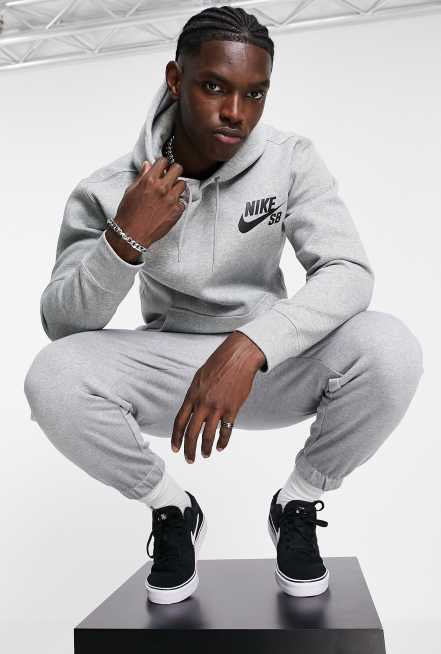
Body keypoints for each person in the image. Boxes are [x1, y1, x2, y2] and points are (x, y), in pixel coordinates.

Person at [24, 6, 424, 604]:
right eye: (214, 87)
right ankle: (173, 511)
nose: (236, 112)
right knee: (53, 377)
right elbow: (63, 324)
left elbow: (347, 271)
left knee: (391, 348)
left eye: (254, 93)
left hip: (269, 365)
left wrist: (251, 345)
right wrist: (126, 239)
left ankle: (297, 503)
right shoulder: (108, 189)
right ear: (175, 79)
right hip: (173, 374)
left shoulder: (290, 159)